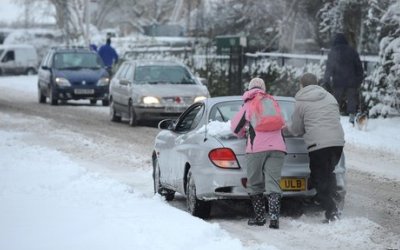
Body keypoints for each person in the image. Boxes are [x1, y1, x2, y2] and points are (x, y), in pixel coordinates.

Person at [287, 73, 345, 223]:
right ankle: (326, 199)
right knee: (328, 173)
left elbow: (296, 129)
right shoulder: (329, 97)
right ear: (317, 83)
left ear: (301, 85)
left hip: (319, 145)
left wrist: (283, 129)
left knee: (319, 178)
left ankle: (332, 211)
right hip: (337, 142)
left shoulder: (301, 101)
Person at [230, 78, 287, 229]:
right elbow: (282, 122)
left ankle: (260, 217)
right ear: (263, 88)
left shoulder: (248, 104)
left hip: (257, 149)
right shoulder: (272, 101)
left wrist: (245, 131)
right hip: (278, 148)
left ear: (249, 88)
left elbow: (236, 128)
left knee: (255, 183)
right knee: (273, 182)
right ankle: (274, 218)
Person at [323, 33, 364, 124]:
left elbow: (329, 68)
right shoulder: (352, 51)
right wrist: (359, 79)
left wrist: (326, 80)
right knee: (352, 99)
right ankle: (352, 117)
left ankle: (333, 118)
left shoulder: (333, 52)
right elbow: (359, 66)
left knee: (335, 100)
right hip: (352, 81)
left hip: (338, 81)